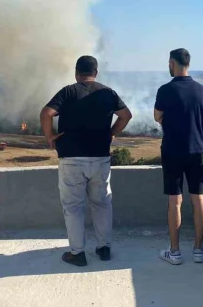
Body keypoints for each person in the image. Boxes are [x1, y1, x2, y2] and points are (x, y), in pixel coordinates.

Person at [40, 55, 132, 267]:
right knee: (102, 204)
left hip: (71, 159)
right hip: (100, 158)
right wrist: (111, 132)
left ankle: (77, 253)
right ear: (96, 73)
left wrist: (50, 136)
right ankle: (104, 248)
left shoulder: (68, 92)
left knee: (73, 207)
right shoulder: (108, 92)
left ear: (76, 73)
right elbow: (126, 115)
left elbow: (46, 113)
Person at [154, 48, 203, 265]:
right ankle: (199, 250)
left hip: (173, 150)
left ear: (172, 63)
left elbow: (157, 116)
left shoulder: (165, 90)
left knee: (175, 200)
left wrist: (169, 120)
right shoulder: (201, 90)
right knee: (199, 198)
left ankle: (175, 252)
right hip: (198, 150)